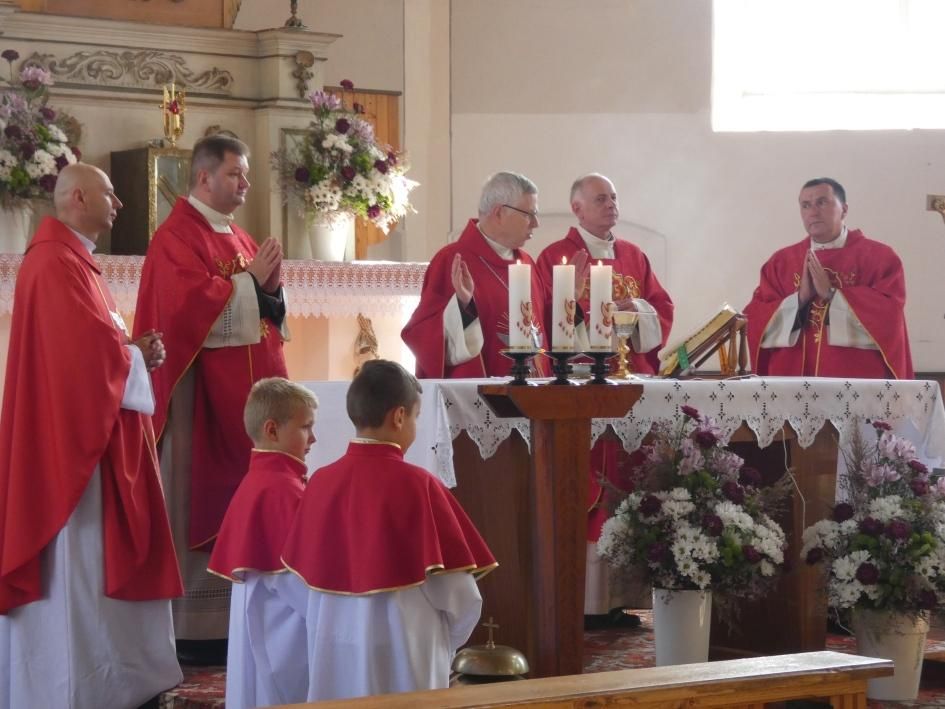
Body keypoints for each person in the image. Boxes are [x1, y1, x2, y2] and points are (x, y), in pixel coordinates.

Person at [0, 163, 183, 708]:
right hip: (72, 454)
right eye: (110, 194)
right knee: (77, 570)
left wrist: (130, 349)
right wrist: (135, 354)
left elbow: (92, 345)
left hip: (91, 436)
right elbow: (82, 360)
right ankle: (75, 685)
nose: (119, 204)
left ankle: (108, 680)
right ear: (78, 196)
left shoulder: (72, 260)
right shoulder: (55, 263)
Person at [134, 134, 290, 658]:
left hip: (244, 402)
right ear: (203, 177)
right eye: (235, 175)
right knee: (197, 498)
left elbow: (264, 309)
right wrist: (250, 284)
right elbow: (182, 312)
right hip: (198, 401)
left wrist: (265, 290)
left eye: (246, 175)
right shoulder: (176, 236)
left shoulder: (239, 237)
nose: (245, 184)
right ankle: (197, 625)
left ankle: (240, 614)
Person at [282, 359, 497, 700]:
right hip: (405, 648)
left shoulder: (320, 482)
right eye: (415, 416)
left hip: (334, 646)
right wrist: (448, 641)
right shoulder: (419, 485)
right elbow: (461, 597)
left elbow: (301, 585)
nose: (413, 424)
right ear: (398, 417)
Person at [536, 173, 674, 625]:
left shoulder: (635, 256)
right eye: (600, 199)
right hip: (580, 391)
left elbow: (661, 309)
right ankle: (586, 601)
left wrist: (640, 313)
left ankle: (622, 599)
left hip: (631, 386)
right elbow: (538, 322)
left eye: (614, 197)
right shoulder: (554, 257)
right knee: (591, 488)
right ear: (576, 208)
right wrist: (572, 300)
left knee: (632, 486)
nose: (611, 205)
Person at [208, 378, 318, 709]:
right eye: (305, 427)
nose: (313, 438)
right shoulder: (281, 492)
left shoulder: (262, 481)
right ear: (272, 430)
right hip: (282, 635)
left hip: (268, 626)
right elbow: (298, 585)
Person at [744, 178, 913, 379]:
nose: (813, 212)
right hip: (791, 383)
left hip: (856, 382)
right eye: (806, 206)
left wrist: (833, 295)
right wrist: (799, 299)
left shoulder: (879, 258)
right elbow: (754, 319)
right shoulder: (781, 263)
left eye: (822, 202)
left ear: (844, 209)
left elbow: (889, 319)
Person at [402, 171, 549, 377]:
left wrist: (569, 298)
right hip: (479, 396)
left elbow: (543, 327)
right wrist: (462, 305)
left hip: (535, 393)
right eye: (528, 214)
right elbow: (424, 336)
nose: (536, 223)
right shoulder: (452, 260)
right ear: (499, 213)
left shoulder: (527, 263)